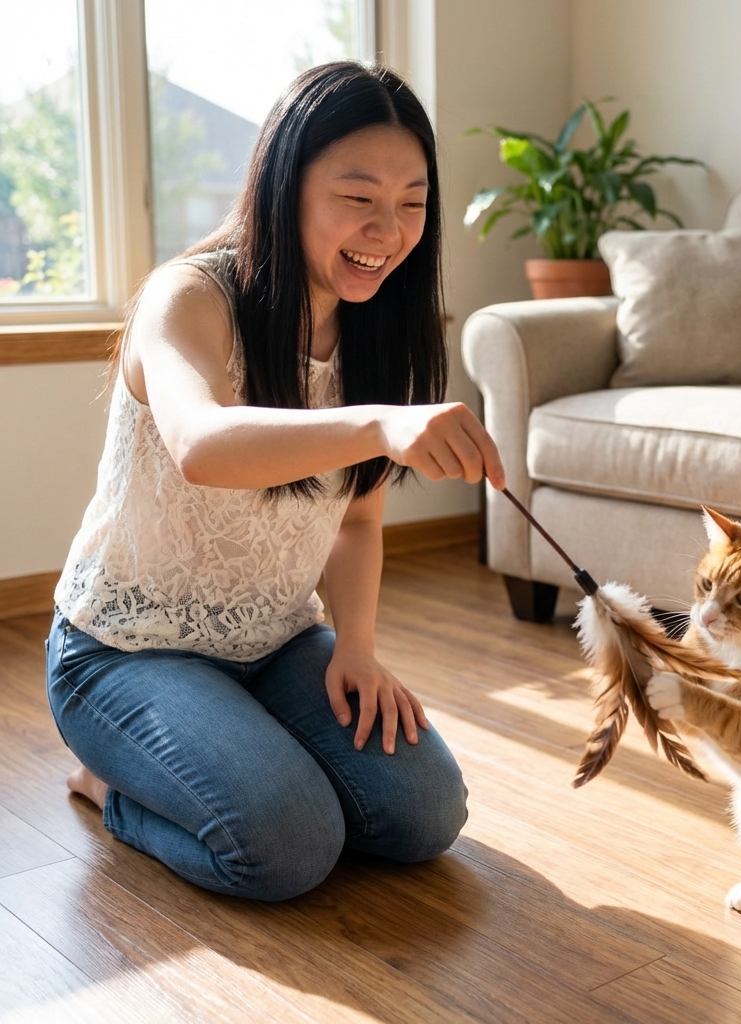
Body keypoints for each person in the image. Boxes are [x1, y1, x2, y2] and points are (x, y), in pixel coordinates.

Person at [45, 62, 505, 901]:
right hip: (124, 652)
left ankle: (236, 758)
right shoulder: (188, 297)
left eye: (413, 202)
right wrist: (378, 424)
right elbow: (201, 443)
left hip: (278, 640)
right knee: (290, 848)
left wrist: (358, 651)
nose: (388, 228)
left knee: (425, 817)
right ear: (285, 185)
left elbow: (358, 523)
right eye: (358, 196)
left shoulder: (376, 331)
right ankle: (107, 785)